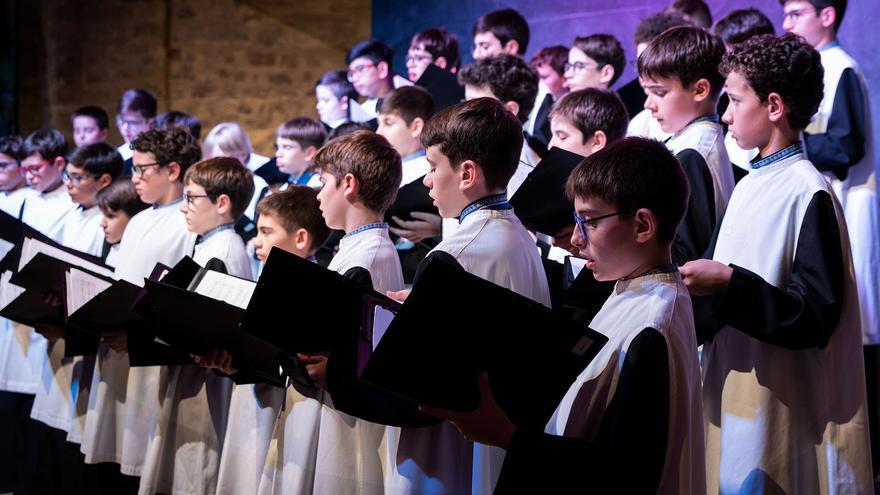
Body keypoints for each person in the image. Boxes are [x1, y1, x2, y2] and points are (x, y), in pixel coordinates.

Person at [421, 137, 705, 494]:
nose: (577, 239)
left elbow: (625, 474)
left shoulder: (652, 324)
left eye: (589, 221)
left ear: (642, 226)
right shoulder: (637, 288)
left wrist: (508, 437)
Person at [680, 32, 872, 493]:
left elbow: (813, 317)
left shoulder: (808, 192)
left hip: (781, 406)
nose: (725, 114)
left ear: (773, 106)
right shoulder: (749, 184)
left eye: (734, 100)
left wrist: (730, 284)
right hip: (734, 391)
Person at [384, 97, 551, 494]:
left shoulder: (455, 254)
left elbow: (414, 375)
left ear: (467, 174)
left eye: (432, 166)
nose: (427, 181)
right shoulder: (519, 235)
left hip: (450, 447)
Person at [258, 130, 404, 494]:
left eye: (323, 183)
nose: (318, 194)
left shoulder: (365, 257)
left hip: (340, 423)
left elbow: (336, 355)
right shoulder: (361, 247)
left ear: (348, 185)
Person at [782, 0, 880, 477]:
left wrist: (787, 137)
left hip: (849, 203)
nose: (788, 23)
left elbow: (846, 144)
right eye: (785, 14)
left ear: (827, 15)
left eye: (797, 13)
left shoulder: (840, 67)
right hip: (827, 202)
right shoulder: (817, 66)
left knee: (858, 329)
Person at [78, 127, 200, 491]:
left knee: (145, 458)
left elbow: (181, 298)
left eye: (141, 169)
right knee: (113, 459)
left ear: (172, 170)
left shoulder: (187, 224)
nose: (134, 179)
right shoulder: (141, 218)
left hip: (151, 354)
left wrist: (136, 334)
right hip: (116, 348)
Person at [138, 156, 254, 495]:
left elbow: (217, 329)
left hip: (206, 385)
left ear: (222, 203)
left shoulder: (223, 250)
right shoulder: (210, 244)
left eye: (191, 198)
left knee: (196, 473)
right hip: (191, 378)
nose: (182, 206)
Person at [638, 26, 735, 264]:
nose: (648, 104)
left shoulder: (692, 153)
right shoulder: (694, 140)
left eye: (659, 92)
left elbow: (687, 252)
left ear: (700, 90)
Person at [346, 39, 413, 118]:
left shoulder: (411, 100)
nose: (354, 78)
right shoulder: (360, 115)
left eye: (360, 69)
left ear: (382, 69)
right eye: (351, 73)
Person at [95, 179, 149, 267]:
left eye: (110, 216)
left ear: (135, 217)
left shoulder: (138, 258)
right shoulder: (110, 246)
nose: (102, 224)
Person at [115, 88, 157, 174]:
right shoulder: (118, 157)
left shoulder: (161, 155)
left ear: (151, 122)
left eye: (133, 122)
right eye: (122, 121)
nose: (125, 128)